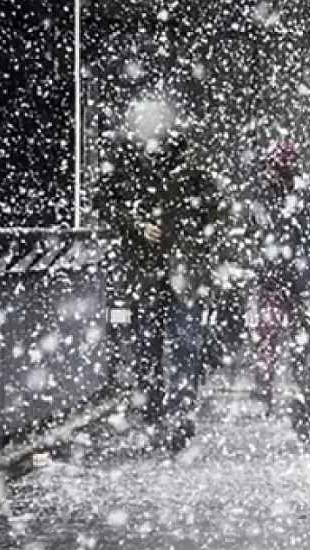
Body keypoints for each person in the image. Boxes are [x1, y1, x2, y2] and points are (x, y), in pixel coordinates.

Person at [94, 122, 225, 452]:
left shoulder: (190, 168)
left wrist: (192, 238)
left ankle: (175, 415)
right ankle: (160, 412)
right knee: (153, 346)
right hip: (153, 272)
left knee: (179, 345)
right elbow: (103, 201)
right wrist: (136, 224)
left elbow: (219, 211)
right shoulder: (131, 165)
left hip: (177, 273)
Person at [246, 139, 310, 414]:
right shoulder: (297, 193)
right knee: (282, 338)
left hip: (280, 275)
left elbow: (260, 232)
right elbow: (307, 234)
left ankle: (271, 392)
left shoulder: (270, 195)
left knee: (270, 337)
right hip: (286, 276)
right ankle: (291, 391)